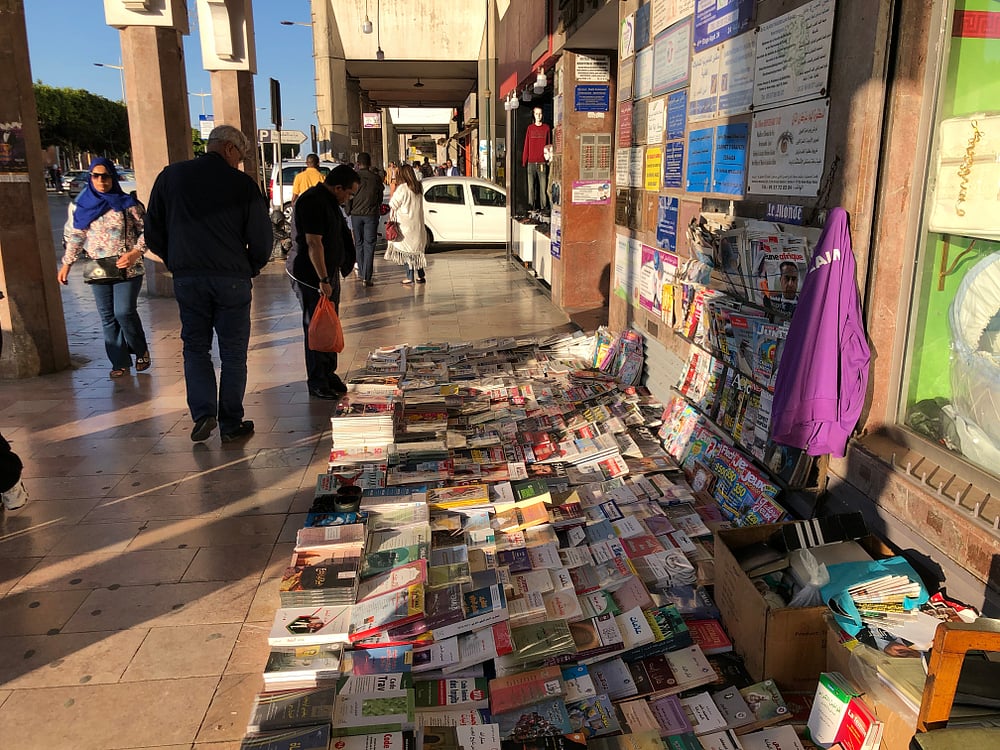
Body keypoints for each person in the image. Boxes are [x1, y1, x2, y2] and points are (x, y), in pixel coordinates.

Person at [144, 124, 272, 443]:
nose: (240, 163)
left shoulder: (170, 177)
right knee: (232, 352)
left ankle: (203, 413)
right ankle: (230, 422)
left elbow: (153, 230)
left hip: (189, 277)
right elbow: (261, 237)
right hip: (231, 279)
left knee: (195, 347)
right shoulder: (242, 184)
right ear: (229, 148)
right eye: (240, 156)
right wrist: (251, 266)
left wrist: (175, 260)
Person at [59, 157, 151, 379]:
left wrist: (135, 252)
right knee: (108, 317)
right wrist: (67, 264)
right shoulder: (84, 206)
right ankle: (119, 362)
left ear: (113, 177)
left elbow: (149, 230)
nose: (101, 180)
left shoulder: (129, 204)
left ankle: (140, 350)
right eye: (96, 176)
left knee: (124, 311)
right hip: (98, 269)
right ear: (90, 178)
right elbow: (77, 236)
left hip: (127, 269)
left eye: (106, 175)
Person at [290, 164, 361, 399]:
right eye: (349, 193)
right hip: (312, 276)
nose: (348, 198)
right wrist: (322, 278)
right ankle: (317, 380)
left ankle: (329, 372)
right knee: (317, 326)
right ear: (338, 187)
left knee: (330, 324)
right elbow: (313, 243)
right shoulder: (312, 201)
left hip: (328, 273)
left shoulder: (330, 201)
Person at [383, 163, 428, 285]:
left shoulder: (402, 188)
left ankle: (409, 276)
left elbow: (393, 204)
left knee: (407, 251)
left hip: (405, 225)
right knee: (417, 251)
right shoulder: (418, 187)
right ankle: (421, 275)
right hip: (417, 224)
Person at [349, 152, 383, 288]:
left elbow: (348, 196)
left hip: (356, 215)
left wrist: (348, 211)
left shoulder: (353, 178)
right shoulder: (376, 178)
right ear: (370, 163)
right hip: (371, 215)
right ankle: (367, 277)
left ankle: (362, 272)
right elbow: (380, 197)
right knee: (369, 245)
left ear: (358, 163)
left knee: (359, 244)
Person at [522, 106, 552, 210]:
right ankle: (531, 208)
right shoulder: (530, 128)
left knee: (543, 187)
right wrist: (524, 160)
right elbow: (527, 144)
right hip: (531, 162)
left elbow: (549, 145)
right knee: (531, 188)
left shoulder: (546, 128)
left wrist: (549, 159)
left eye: (540, 114)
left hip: (542, 163)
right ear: (533, 115)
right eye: (536, 114)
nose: (538, 116)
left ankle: (544, 208)